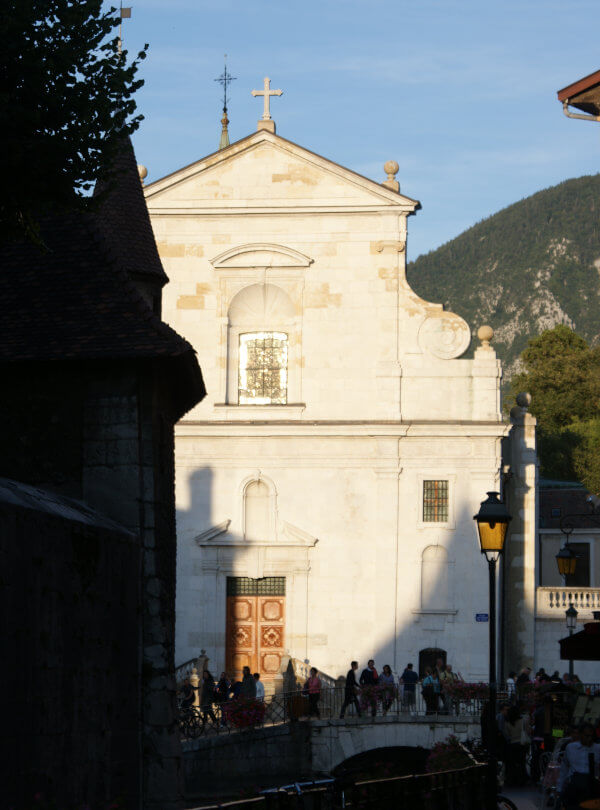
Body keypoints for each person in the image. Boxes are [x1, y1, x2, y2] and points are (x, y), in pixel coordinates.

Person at [558, 722, 600, 809]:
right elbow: (564, 768)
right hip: (574, 784)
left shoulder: (597, 749)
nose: (589, 739)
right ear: (580, 735)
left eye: (591, 736)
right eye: (586, 736)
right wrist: (559, 787)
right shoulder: (570, 747)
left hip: (591, 785)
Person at [504, 704, 527, 786]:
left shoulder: (507, 722)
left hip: (512, 744)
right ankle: (522, 779)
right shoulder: (522, 720)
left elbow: (507, 734)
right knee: (522, 762)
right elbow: (526, 730)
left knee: (512, 763)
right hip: (521, 744)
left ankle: (513, 779)